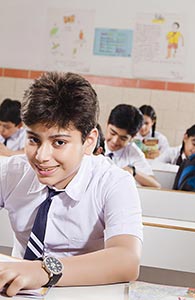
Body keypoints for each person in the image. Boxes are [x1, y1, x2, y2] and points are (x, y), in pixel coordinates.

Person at [0, 72, 143, 297]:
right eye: (33, 140)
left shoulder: (113, 182)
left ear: (89, 141)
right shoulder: (12, 171)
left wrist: (43, 270)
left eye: (59, 142)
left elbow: (127, 260)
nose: (41, 156)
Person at [104, 104, 161, 188]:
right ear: (107, 124)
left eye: (123, 138)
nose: (115, 141)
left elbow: (156, 185)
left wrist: (133, 171)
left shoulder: (133, 152)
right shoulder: (92, 143)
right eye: (112, 133)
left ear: (132, 137)